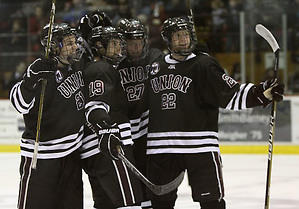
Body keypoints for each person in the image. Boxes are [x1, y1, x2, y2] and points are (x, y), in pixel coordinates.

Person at [145, 17, 285, 209]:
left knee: (212, 203)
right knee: (160, 204)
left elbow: (230, 93)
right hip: (162, 147)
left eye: (185, 35)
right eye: (177, 36)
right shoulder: (154, 67)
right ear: (167, 40)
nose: (183, 40)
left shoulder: (204, 64)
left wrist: (261, 92)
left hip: (200, 147)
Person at [9, 23, 86, 209]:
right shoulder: (41, 72)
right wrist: (30, 80)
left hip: (72, 157)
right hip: (42, 161)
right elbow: (18, 104)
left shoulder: (76, 67)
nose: (74, 46)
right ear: (53, 47)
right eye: (68, 43)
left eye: (74, 42)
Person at [82, 25, 143, 209]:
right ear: (99, 46)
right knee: (129, 204)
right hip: (109, 148)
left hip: (97, 149)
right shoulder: (100, 68)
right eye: (114, 44)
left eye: (119, 44)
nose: (119, 48)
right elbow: (95, 105)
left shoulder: (101, 68)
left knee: (106, 205)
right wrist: (106, 130)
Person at [117, 18, 165, 209]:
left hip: (147, 128)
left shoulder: (155, 58)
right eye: (131, 43)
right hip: (124, 131)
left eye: (139, 43)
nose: (136, 48)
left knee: (149, 171)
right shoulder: (114, 64)